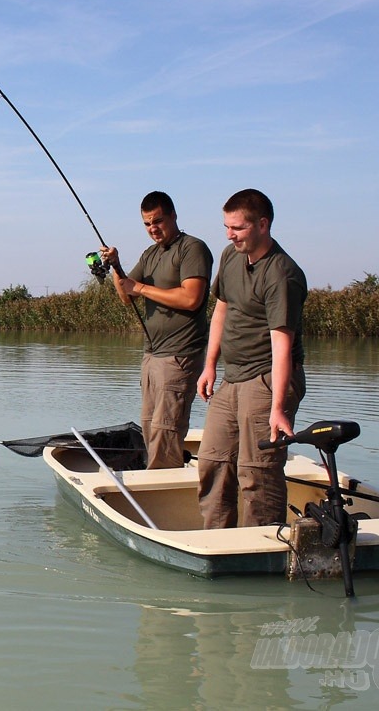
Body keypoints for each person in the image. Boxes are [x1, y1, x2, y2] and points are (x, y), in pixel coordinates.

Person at [195, 188, 307, 529]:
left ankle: (260, 545)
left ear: (263, 224)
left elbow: (282, 345)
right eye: (227, 227)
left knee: (257, 471)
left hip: (268, 378)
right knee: (212, 461)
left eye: (238, 228)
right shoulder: (231, 256)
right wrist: (210, 365)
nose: (230, 235)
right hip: (233, 378)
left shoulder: (282, 274)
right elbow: (221, 310)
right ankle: (216, 542)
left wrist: (277, 407)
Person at [100, 191, 213, 469]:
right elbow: (127, 296)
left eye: (158, 221)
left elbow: (191, 298)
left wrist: (140, 288)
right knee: (151, 428)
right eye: (147, 224)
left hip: (179, 356)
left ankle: (164, 489)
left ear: (173, 216)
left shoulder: (192, 248)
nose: (153, 229)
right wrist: (116, 266)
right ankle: (157, 479)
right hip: (152, 355)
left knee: (166, 430)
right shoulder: (150, 254)